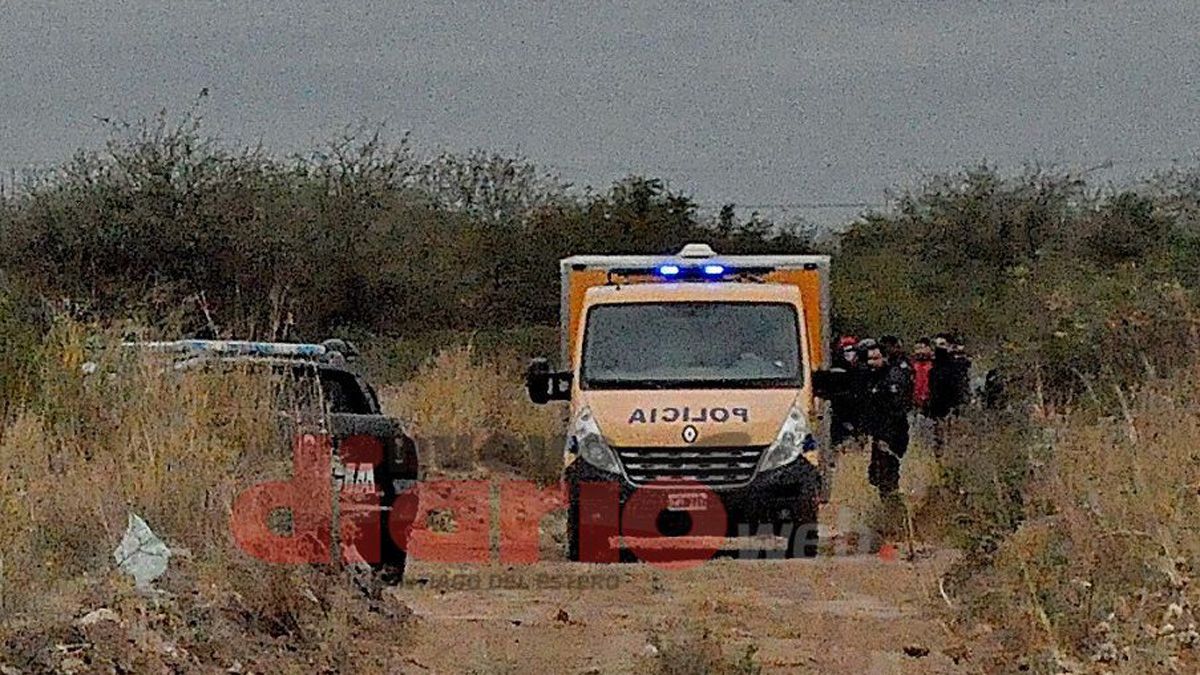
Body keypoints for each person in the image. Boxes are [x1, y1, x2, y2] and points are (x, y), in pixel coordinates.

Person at [860, 344, 911, 498]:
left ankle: (891, 503)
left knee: (888, 472)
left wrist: (885, 438)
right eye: (869, 359)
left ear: (884, 358)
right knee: (876, 475)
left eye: (875, 358)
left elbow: (896, 410)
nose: (871, 363)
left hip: (892, 433)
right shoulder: (870, 378)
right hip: (878, 433)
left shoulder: (893, 378)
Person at [910, 337, 934, 413]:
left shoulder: (934, 364)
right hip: (915, 402)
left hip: (930, 401)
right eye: (917, 348)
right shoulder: (911, 365)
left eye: (922, 348)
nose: (920, 351)